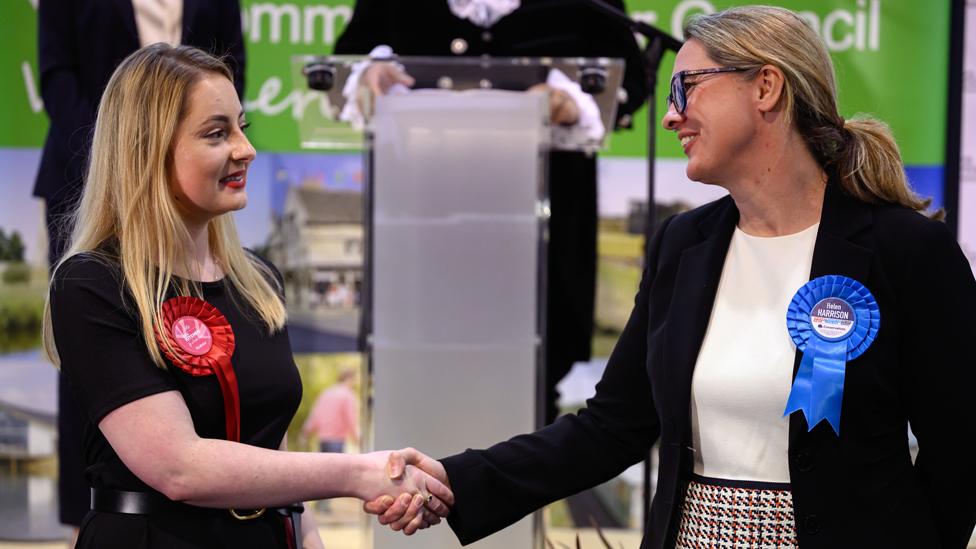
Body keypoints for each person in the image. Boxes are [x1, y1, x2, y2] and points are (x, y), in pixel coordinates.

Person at [364, 6, 976, 548]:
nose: (670, 116)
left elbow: (960, 452)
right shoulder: (684, 245)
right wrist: (457, 478)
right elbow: (611, 428)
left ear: (766, 86)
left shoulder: (906, 250)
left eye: (687, 88)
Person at [42, 44, 451, 549]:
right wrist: (357, 473)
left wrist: (310, 540)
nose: (246, 149)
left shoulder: (258, 280)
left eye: (242, 127)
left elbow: (272, 453)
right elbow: (179, 468)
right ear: (145, 149)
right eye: (217, 133)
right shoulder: (92, 285)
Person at [333, 0, 649, 425]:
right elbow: (351, 58)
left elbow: (629, 76)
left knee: (532, 407)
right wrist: (369, 76)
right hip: (421, 225)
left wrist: (570, 100)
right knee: (417, 402)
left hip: (544, 233)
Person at [35, 0, 246, 530]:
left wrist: (212, 136)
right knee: (96, 347)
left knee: (216, 335)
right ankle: (92, 515)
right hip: (88, 169)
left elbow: (230, 69)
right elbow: (57, 74)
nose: (248, 150)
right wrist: (127, 154)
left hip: (189, 165)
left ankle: (234, 494)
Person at [302, 369, 360, 454]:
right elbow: (351, 419)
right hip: (337, 441)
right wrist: (357, 438)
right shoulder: (348, 395)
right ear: (350, 379)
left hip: (323, 441)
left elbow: (315, 415)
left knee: (325, 467)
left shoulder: (326, 393)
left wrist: (305, 432)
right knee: (338, 467)